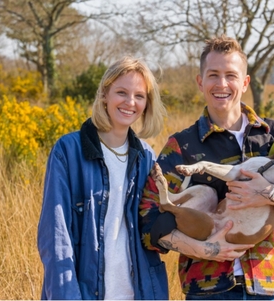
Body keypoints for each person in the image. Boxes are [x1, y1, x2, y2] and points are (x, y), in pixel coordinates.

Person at [140, 35, 274, 300]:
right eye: (213, 75)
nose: (222, 84)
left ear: (245, 82)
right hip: (208, 290)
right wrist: (204, 249)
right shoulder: (182, 145)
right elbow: (149, 220)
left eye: (231, 75)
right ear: (200, 82)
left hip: (270, 287)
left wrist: (266, 194)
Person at [37, 56, 169, 300]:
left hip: (139, 293)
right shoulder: (69, 150)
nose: (130, 102)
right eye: (121, 92)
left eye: (139, 96)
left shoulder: (147, 156)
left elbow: (152, 228)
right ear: (105, 94)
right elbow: (56, 238)